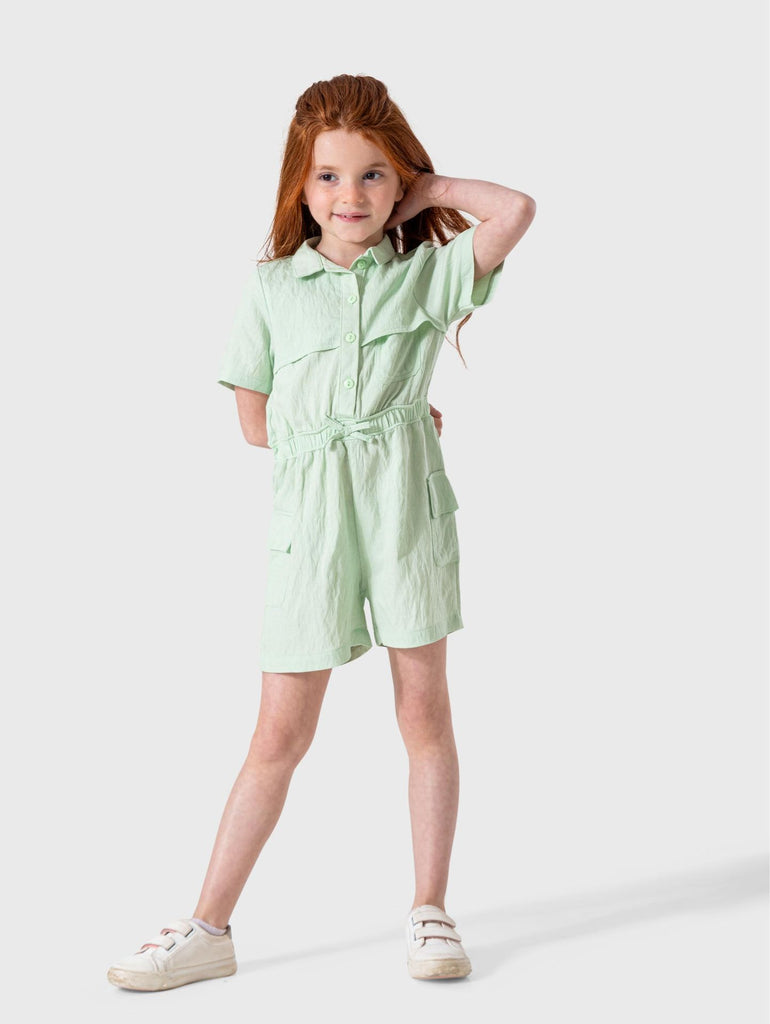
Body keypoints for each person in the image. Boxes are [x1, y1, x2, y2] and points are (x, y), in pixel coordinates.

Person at [107, 73, 535, 992]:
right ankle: (207, 927)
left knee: (424, 714)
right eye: (330, 176)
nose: (352, 195)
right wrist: (357, 425)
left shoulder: (425, 276)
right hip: (312, 522)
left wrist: (431, 188)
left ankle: (430, 910)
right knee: (278, 733)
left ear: (398, 183)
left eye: (374, 175)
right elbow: (255, 424)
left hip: (406, 510)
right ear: (301, 187)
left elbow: (515, 211)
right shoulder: (271, 288)